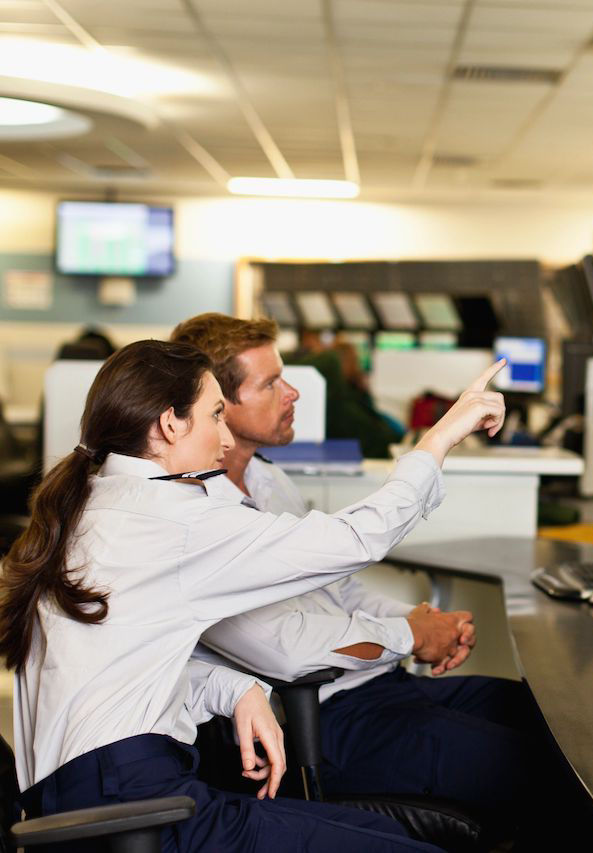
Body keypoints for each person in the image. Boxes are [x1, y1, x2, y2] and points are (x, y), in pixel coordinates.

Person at [0, 339, 506, 852]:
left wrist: (231, 688)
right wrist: (439, 438)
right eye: (215, 415)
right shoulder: (175, 519)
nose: (226, 439)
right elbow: (357, 539)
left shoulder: (101, 502)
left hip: (103, 787)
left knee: (392, 837)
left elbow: (115, 671)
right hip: (130, 803)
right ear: (171, 424)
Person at [169, 314, 571, 836]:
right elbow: (287, 650)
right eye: (270, 383)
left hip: (379, 684)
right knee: (544, 773)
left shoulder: (269, 481)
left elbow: (338, 591)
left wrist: (420, 620)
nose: (292, 393)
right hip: (326, 717)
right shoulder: (200, 520)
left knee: (557, 722)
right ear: (219, 405)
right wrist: (410, 635)